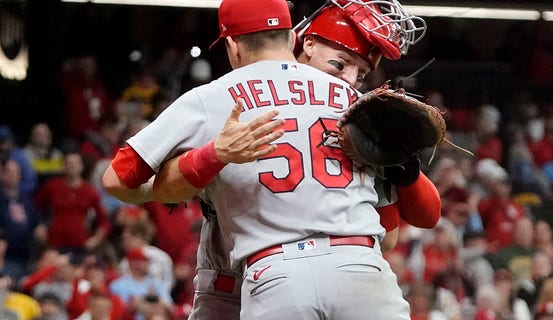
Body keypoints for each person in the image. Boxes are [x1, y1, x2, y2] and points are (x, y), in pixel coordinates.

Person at [102, 0, 435, 319]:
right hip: (357, 265)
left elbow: (120, 178)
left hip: (271, 271)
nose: (348, 77)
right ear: (297, 41)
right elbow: (393, 233)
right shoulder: (358, 106)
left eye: (360, 73)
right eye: (341, 62)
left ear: (232, 45)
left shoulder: (214, 98)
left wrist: (208, 159)